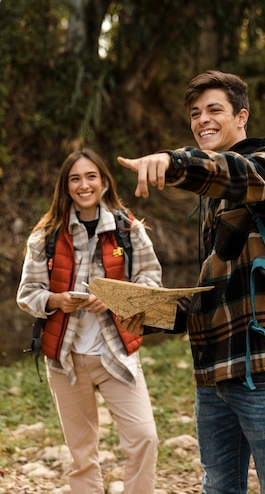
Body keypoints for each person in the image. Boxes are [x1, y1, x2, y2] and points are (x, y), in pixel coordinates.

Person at [117, 70, 265, 494]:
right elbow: (210, 290)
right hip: (214, 373)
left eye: (214, 110)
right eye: (195, 113)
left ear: (242, 116)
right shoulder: (213, 201)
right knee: (218, 488)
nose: (202, 119)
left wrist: (173, 162)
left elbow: (232, 172)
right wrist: (151, 315)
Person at [17, 148, 161, 494]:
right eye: (75, 178)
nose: (84, 185)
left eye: (91, 176)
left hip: (117, 354)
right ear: (65, 186)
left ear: (104, 181)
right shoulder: (44, 237)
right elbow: (27, 294)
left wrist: (115, 298)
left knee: (145, 438)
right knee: (82, 456)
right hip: (65, 360)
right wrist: (55, 300)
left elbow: (151, 284)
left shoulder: (130, 229)